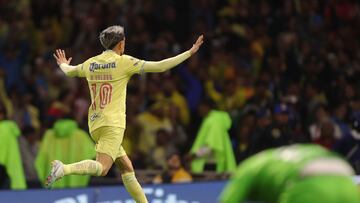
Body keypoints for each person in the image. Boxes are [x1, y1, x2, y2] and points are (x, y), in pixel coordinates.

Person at [48, 25, 203, 203]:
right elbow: (160, 67)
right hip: (113, 125)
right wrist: (189, 52)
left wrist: (63, 64)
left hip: (95, 124)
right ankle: (64, 169)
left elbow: (70, 72)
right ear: (121, 44)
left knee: (127, 168)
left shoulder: (91, 63)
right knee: (103, 168)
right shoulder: (124, 62)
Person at [219, 144, 360, 203]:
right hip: (346, 177)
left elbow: (228, 201)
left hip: (310, 182)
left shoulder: (246, 169)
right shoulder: (272, 163)